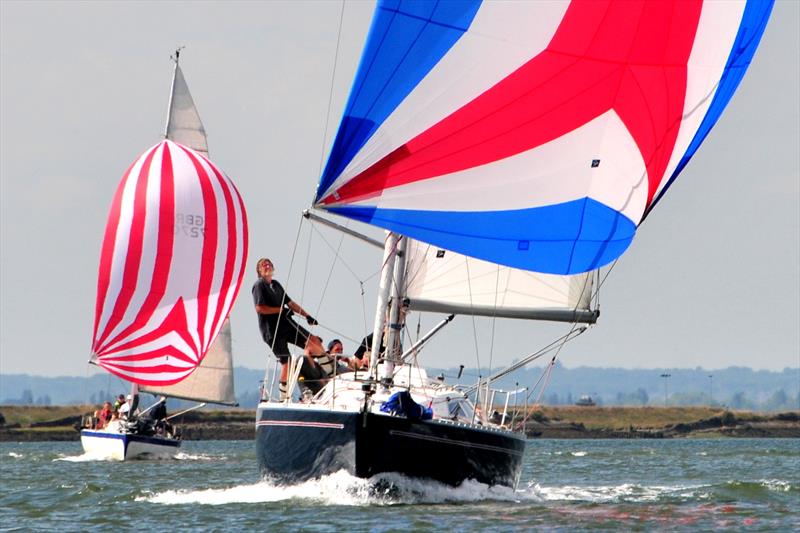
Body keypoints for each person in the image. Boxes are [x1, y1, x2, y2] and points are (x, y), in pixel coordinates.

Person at [252, 257, 318, 400]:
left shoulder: (276, 285)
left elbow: (290, 302)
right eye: (264, 265)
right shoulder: (259, 285)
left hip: (287, 325)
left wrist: (307, 316)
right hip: (272, 331)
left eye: (269, 263)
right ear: (259, 270)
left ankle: (330, 370)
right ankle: (283, 397)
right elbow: (260, 308)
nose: (267, 265)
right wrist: (280, 310)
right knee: (287, 362)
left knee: (312, 341)